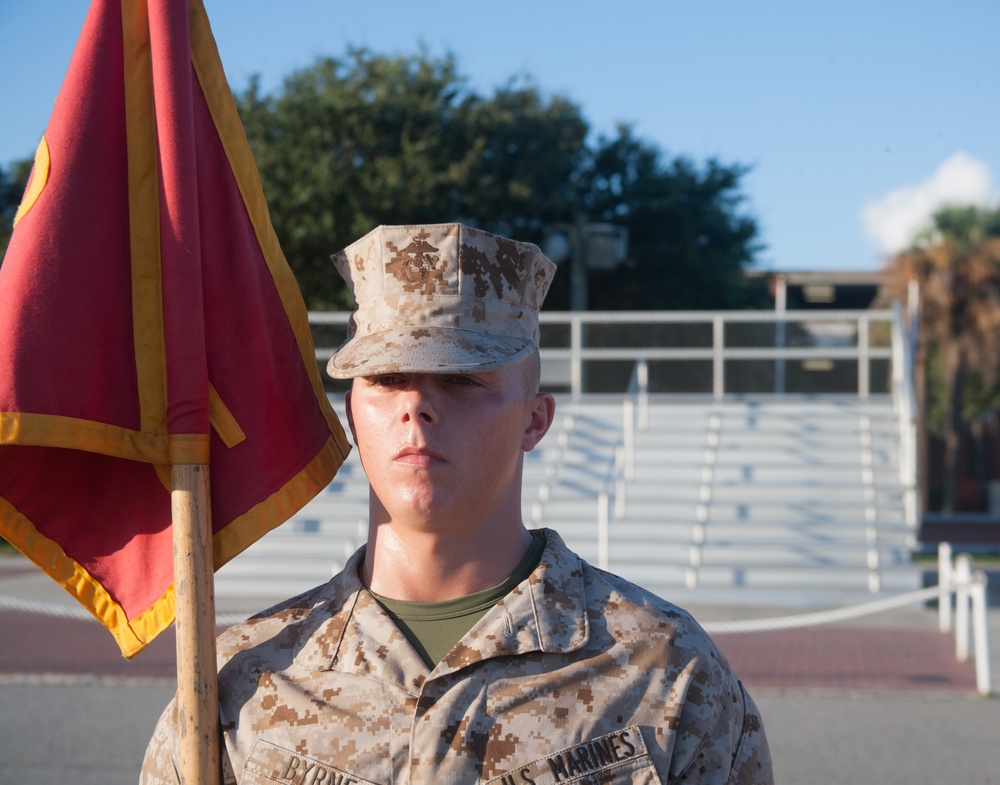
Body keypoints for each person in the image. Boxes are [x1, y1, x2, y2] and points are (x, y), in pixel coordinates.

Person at [141, 223, 773, 785]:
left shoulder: (665, 669)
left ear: (535, 420)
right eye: (387, 380)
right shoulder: (242, 678)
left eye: (462, 379)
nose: (417, 407)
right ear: (352, 420)